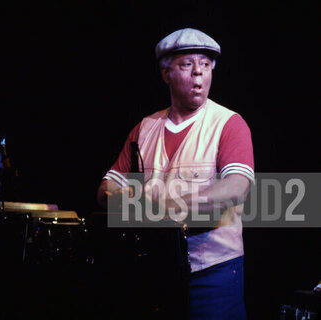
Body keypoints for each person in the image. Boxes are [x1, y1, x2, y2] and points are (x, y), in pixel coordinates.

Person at [97, 28, 254, 319]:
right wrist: (123, 201)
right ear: (166, 73)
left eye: (206, 65)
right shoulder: (144, 128)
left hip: (213, 273)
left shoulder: (229, 123)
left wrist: (157, 208)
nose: (199, 73)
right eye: (187, 64)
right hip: (155, 270)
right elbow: (106, 190)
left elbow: (235, 190)